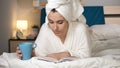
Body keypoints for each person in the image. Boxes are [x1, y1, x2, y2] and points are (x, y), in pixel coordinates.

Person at [16, 0, 91, 60]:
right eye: (51, 22)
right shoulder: (45, 28)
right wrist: (24, 53)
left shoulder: (80, 29)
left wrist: (64, 54)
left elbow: (86, 55)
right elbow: (38, 52)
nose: (55, 28)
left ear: (68, 20)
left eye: (60, 22)